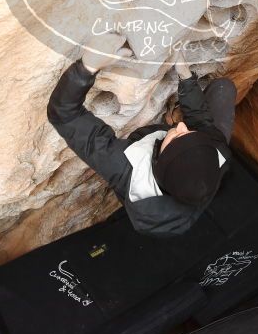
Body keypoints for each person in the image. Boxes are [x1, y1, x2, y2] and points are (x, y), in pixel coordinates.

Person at [46, 33, 237, 237]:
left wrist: (87, 67)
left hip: (150, 204)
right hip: (194, 178)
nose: (182, 125)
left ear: (162, 158)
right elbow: (202, 123)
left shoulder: (124, 169)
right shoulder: (216, 154)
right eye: (190, 133)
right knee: (224, 89)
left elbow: (64, 115)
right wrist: (186, 78)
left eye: (179, 137)